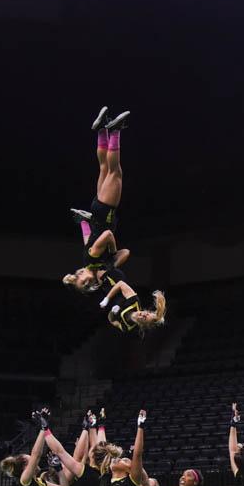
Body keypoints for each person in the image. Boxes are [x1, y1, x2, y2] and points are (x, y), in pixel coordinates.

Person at [63, 106, 131, 294]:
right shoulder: (93, 261)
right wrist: (84, 222)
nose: (89, 284)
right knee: (104, 168)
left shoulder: (93, 259)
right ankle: (101, 128)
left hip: (105, 210)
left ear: (80, 275)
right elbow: (126, 253)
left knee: (115, 171)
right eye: (88, 286)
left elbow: (108, 235)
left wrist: (110, 252)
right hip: (97, 210)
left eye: (83, 283)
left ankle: (115, 129)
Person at [97, 280, 167, 335]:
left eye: (144, 318)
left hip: (103, 292)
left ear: (143, 324)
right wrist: (107, 299)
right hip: (113, 282)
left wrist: (112, 313)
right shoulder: (134, 302)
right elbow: (120, 284)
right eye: (147, 314)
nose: (143, 315)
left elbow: (112, 321)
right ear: (147, 311)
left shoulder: (127, 327)